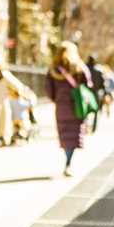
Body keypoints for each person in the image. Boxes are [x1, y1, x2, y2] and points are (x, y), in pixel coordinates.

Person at [46, 42, 93, 177]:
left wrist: (57, 99)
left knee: (64, 133)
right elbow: (88, 85)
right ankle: (68, 162)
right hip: (77, 106)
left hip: (61, 106)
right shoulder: (79, 67)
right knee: (74, 133)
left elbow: (49, 90)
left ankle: (67, 160)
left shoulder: (54, 70)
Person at [86, 55, 105, 132]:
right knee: (96, 110)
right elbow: (102, 85)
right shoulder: (98, 72)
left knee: (85, 110)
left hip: (86, 93)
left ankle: (85, 126)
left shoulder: (84, 70)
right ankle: (93, 128)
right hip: (95, 93)